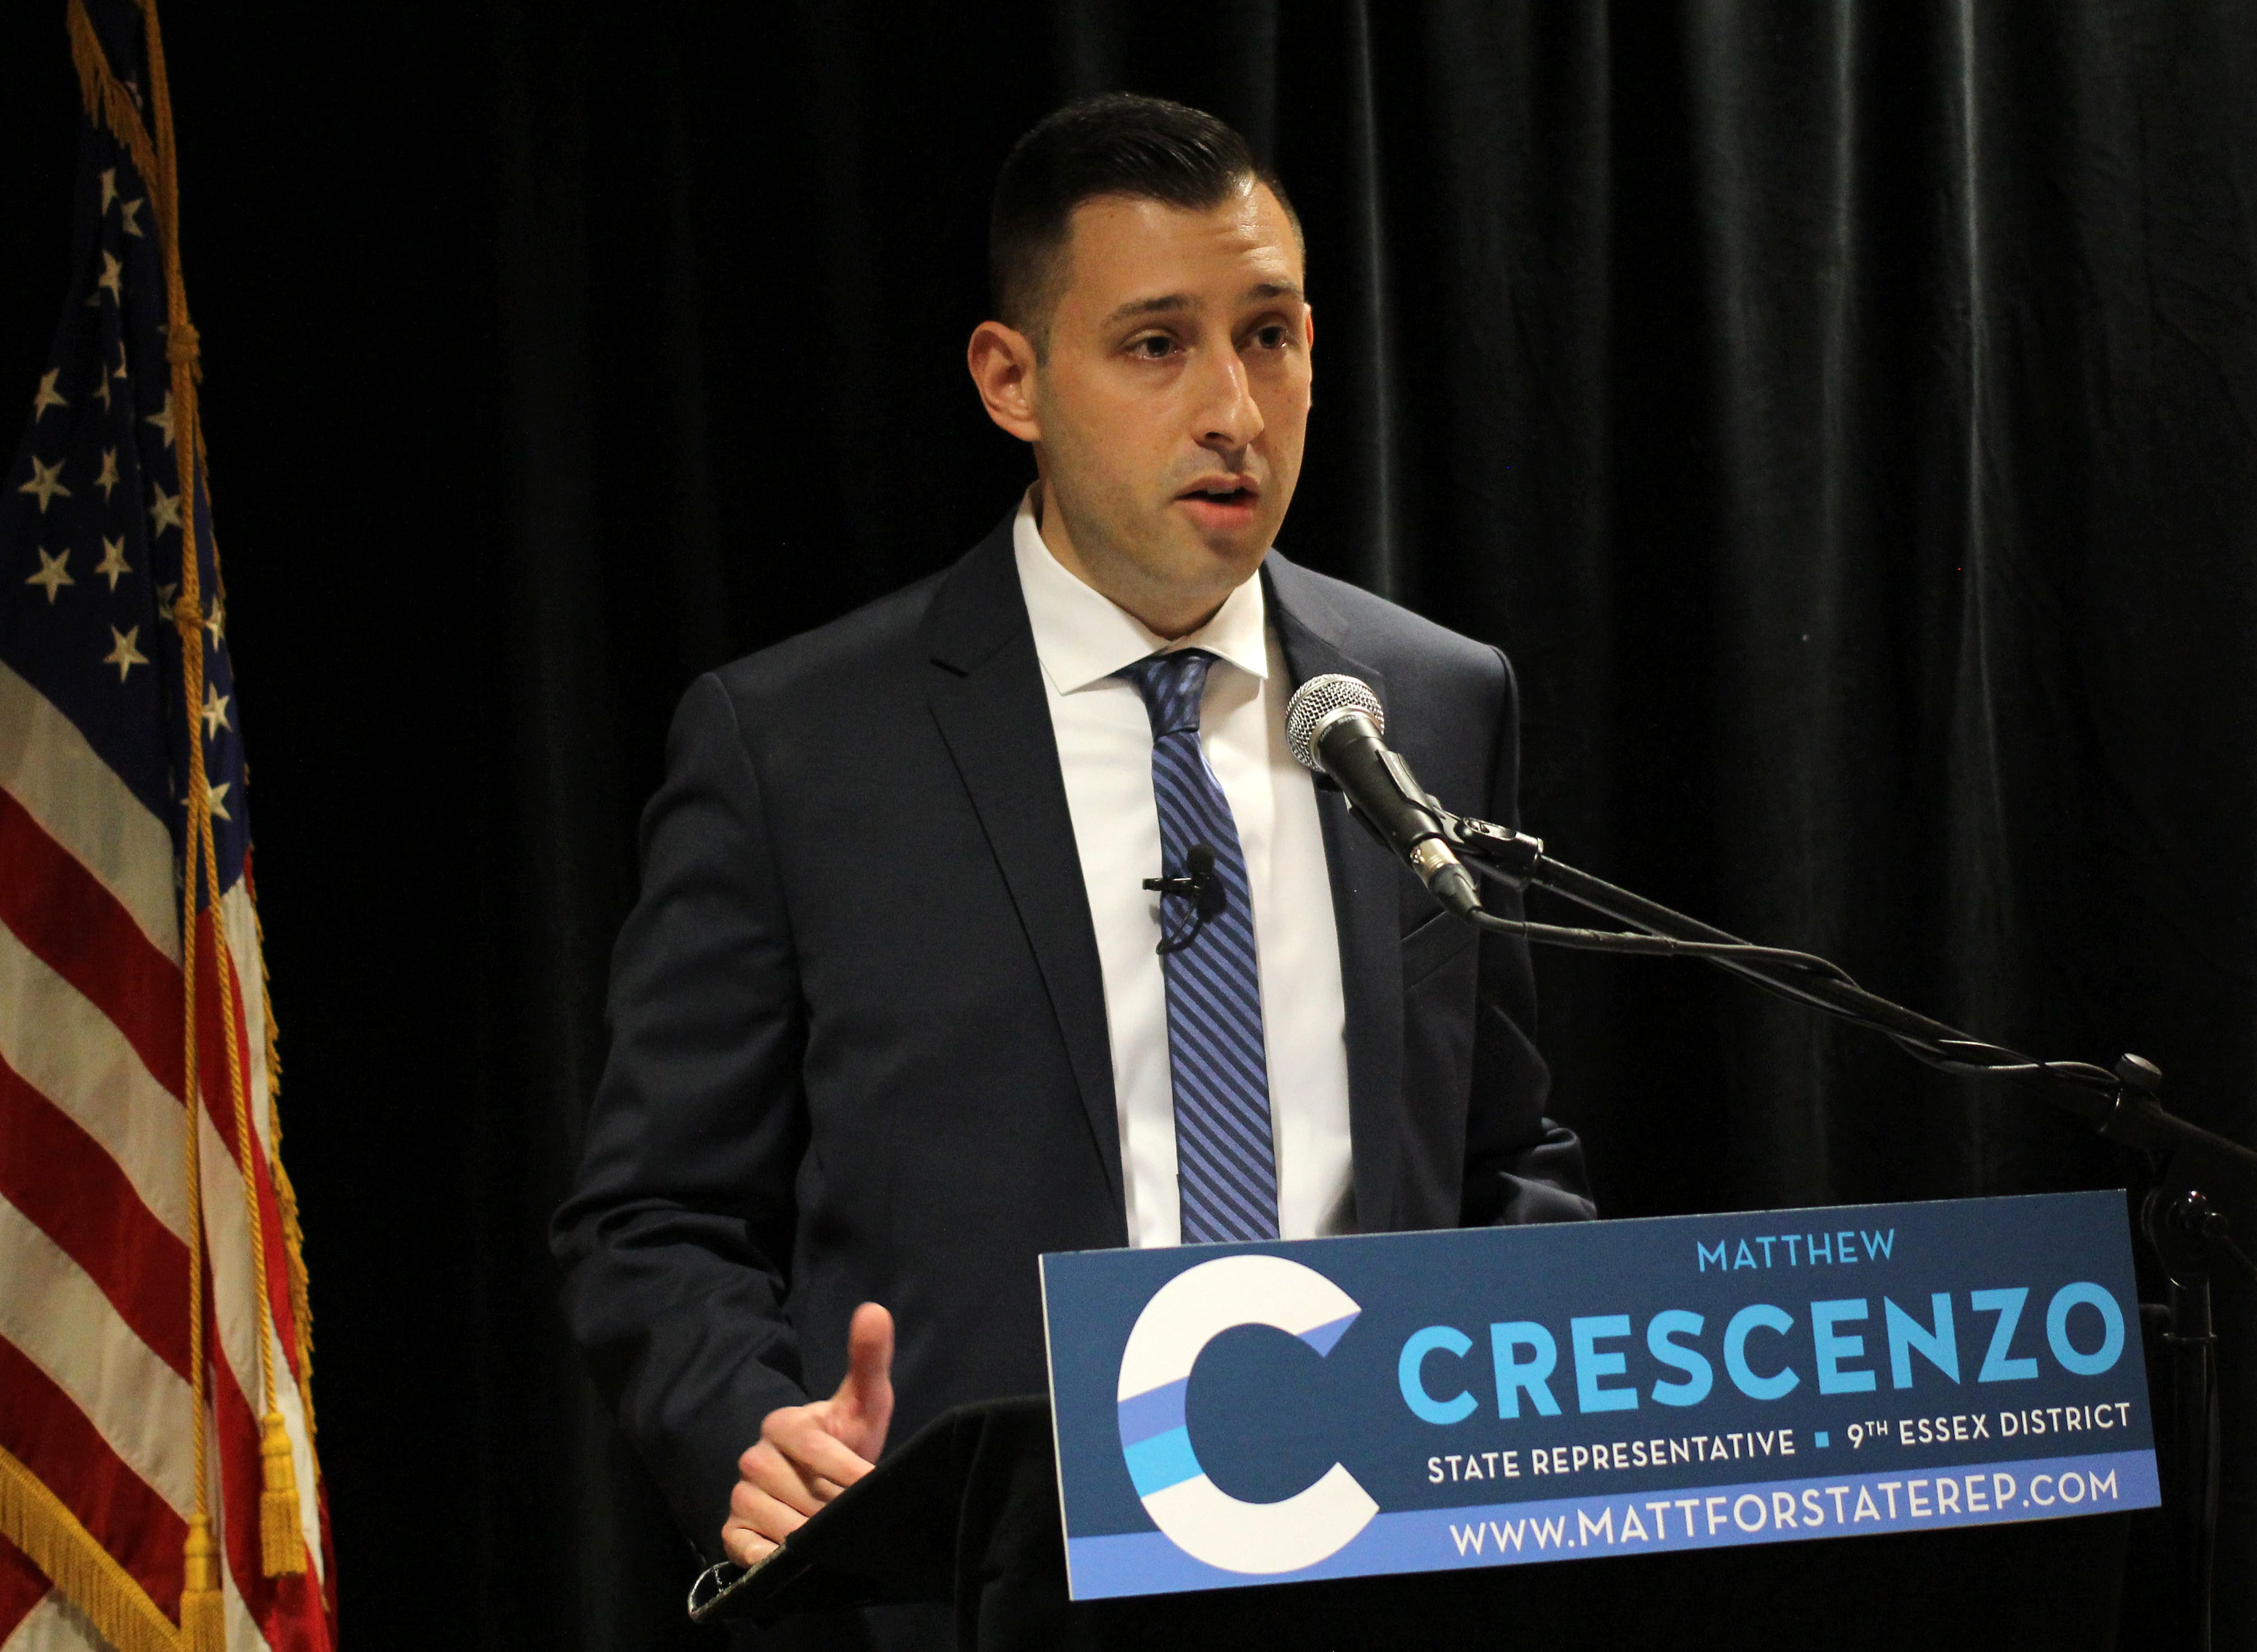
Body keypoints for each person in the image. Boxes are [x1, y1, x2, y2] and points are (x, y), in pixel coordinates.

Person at [551, 92, 1593, 1644]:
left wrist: (1532, 1365)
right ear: (1011, 379)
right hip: (989, 1600)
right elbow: (651, 1221)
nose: (1237, 407)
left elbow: (1506, 1152)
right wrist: (759, 1440)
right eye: (1160, 345)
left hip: (1376, 1576)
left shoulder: (1425, 701)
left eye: (1272, 336)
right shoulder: (799, 746)